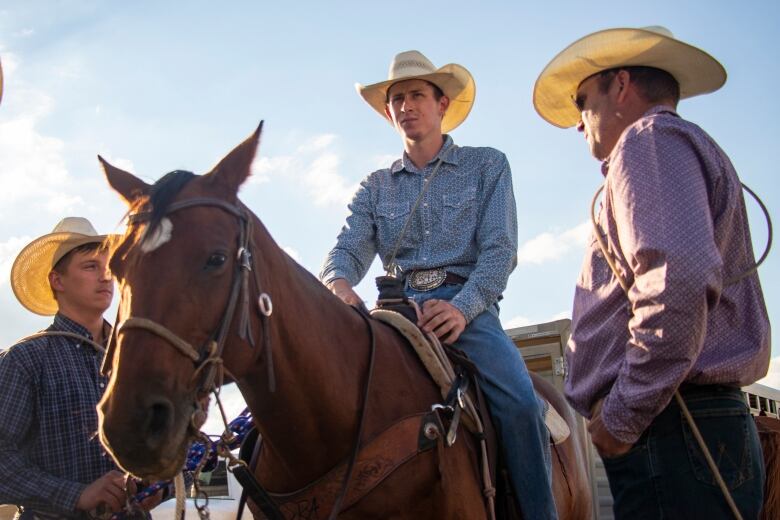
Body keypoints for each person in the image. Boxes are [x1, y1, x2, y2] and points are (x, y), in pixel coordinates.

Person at [533, 26, 770, 519]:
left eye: (582, 100)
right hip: (684, 423)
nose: (579, 122)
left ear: (620, 86)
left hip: (671, 427)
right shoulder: (671, 145)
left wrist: (620, 419)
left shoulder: (648, 141)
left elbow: (676, 280)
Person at [320, 50, 557, 519]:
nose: (406, 106)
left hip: (466, 311)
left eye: (416, 95)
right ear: (388, 112)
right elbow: (346, 249)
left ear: (442, 102)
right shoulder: (374, 187)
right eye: (397, 99)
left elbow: (499, 253)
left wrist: (462, 308)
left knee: (520, 405)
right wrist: (340, 285)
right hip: (395, 314)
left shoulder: (487, 165)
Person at [0, 217, 162, 519]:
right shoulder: (25, 360)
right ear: (57, 281)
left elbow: (164, 441)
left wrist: (157, 484)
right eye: (90, 267)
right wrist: (76, 495)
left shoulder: (135, 360)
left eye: (109, 267)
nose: (105, 277)